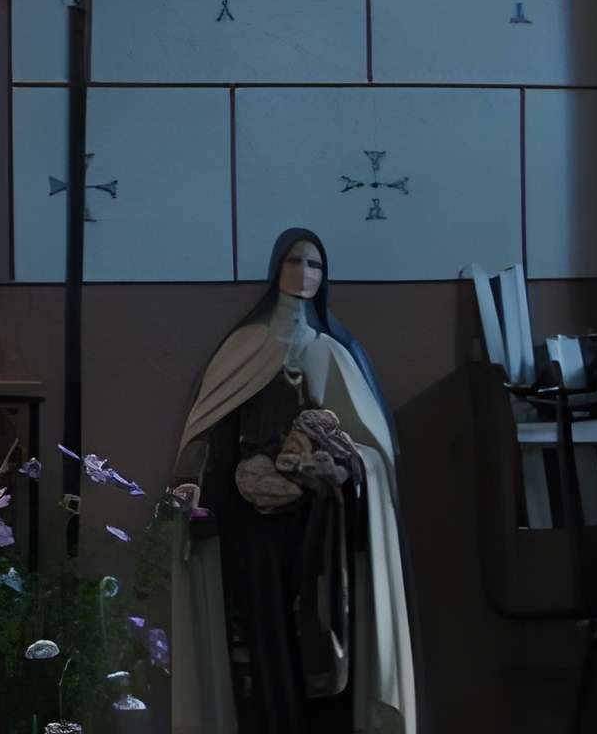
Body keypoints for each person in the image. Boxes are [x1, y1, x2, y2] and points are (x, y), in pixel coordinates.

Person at [168, 228, 419, 733]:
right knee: (263, 647)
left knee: (321, 648)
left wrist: (343, 467)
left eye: (315, 264)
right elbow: (211, 432)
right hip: (252, 529)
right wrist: (195, 481)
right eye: (295, 261)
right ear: (276, 268)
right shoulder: (244, 348)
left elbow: (371, 450)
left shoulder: (332, 353)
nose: (304, 273)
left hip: (318, 531)